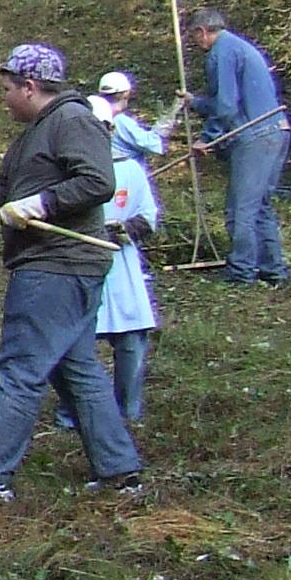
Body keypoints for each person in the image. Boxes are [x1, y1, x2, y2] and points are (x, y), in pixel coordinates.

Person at [0, 44, 143, 499]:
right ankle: (119, 471)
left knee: (20, 367)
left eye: (6, 90)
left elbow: (98, 181)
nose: (3, 99)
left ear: (30, 87)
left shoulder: (72, 120)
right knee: (75, 368)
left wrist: (42, 204)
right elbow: (1, 199)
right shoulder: (32, 135)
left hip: (58, 265)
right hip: (57, 264)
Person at [182, 8, 290, 287]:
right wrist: (195, 103)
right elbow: (229, 101)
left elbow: (227, 107)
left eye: (194, 36)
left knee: (240, 209)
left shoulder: (221, 53)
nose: (195, 42)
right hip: (277, 130)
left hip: (255, 135)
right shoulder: (238, 47)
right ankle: (273, 270)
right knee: (260, 205)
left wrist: (208, 137)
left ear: (202, 32)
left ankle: (242, 272)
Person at [87, 95, 161, 423]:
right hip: (79, 265)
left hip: (122, 266)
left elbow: (148, 216)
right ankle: (76, 411)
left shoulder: (130, 170)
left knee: (131, 342)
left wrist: (124, 229)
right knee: (76, 343)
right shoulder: (64, 170)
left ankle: (128, 410)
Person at [95, 72, 167, 159]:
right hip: (123, 166)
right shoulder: (120, 120)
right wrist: (173, 111)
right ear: (126, 94)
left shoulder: (91, 114)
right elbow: (151, 143)